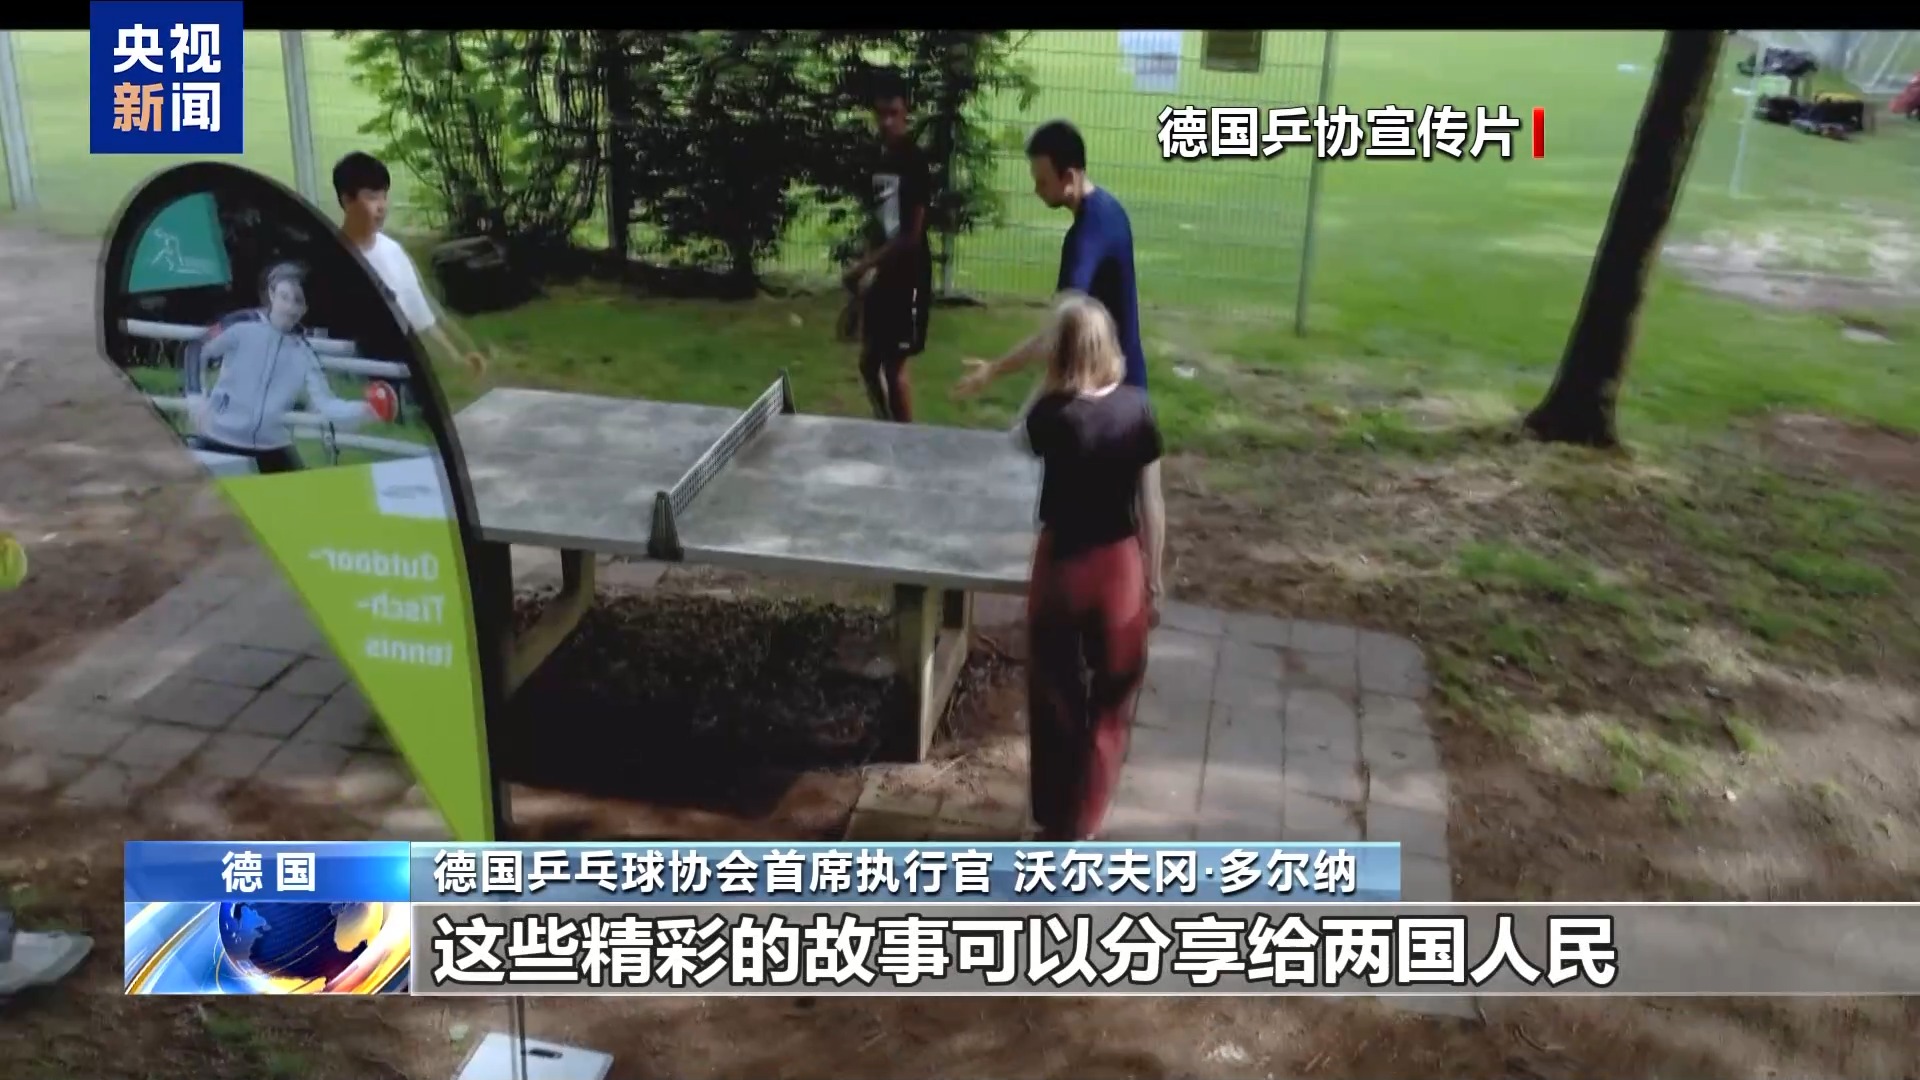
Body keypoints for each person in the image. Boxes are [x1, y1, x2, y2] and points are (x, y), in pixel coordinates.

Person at [952, 120, 1167, 617]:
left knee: (1029, 453)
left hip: (1101, 386)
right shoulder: (1113, 210)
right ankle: (1150, 591)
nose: (1036, 189)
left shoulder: (1084, 239)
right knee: (1144, 492)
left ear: (1069, 177)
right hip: (1132, 378)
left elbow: (1058, 335)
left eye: (1042, 180)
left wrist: (994, 370)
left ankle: (1063, 586)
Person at [1013, 293, 1164, 842]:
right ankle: (1085, 825)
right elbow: (1153, 505)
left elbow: (1017, 438)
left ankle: (1053, 819)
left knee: (1054, 693)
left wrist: (1049, 381)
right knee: (1112, 699)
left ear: (1061, 352)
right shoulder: (1139, 411)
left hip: (1061, 568)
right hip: (1118, 569)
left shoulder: (1050, 417)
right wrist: (1153, 574)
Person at [187, 262, 395, 474]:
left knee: (306, 490)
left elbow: (326, 404)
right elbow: (196, 347)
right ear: (271, 294)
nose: (289, 308)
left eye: (297, 301)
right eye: (284, 297)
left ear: (305, 308)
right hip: (219, 435)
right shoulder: (240, 324)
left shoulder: (304, 353)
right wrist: (195, 399)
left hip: (270, 446)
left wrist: (367, 410)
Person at [332, 151, 488, 377]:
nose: (381, 206)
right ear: (347, 200)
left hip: (398, 372)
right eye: (372, 197)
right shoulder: (333, 258)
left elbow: (422, 319)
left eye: (384, 196)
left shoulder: (392, 252)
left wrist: (457, 359)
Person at [840, 70, 933, 423]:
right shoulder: (878, 158)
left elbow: (910, 236)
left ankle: (906, 441)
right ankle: (885, 428)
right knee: (868, 364)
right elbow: (879, 223)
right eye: (881, 114)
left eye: (894, 113)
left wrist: (864, 267)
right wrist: (864, 279)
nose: (887, 122)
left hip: (909, 277)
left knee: (894, 369)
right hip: (882, 273)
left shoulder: (915, 162)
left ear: (906, 111)